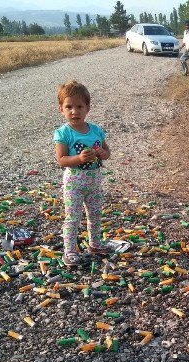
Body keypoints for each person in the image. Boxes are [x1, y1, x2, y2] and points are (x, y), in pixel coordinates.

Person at [53, 80, 112, 267]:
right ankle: (69, 251)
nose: (74, 111)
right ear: (61, 109)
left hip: (94, 183)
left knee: (95, 215)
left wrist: (103, 153)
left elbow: (106, 152)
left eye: (79, 106)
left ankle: (95, 244)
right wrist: (79, 159)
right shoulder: (64, 133)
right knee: (73, 217)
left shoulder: (95, 130)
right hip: (74, 184)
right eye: (68, 106)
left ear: (87, 108)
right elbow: (61, 159)